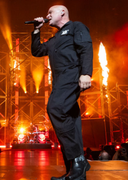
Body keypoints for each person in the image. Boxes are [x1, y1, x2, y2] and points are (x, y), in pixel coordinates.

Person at [31, 5, 93, 180]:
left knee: (55, 108)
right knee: (71, 122)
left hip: (72, 75)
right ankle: (74, 172)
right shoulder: (55, 38)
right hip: (59, 81)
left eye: (51, 12)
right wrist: (36, 31)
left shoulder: (76, 27)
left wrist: (86, 73)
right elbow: (37, 51)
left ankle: (78, 159)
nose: (47, 15)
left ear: (63, 13)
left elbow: (86, 48)